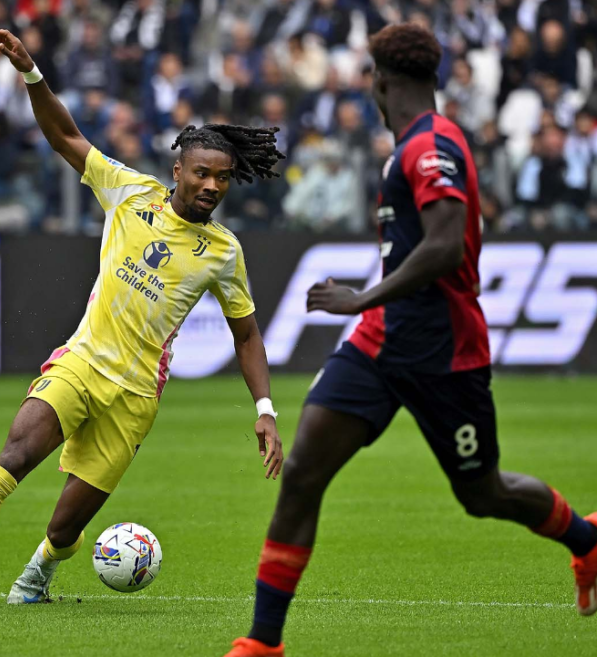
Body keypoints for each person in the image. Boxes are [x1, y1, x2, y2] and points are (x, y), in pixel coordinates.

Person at [0, 28, 286, 617]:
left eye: (222, 178)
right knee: (16, 452)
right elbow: (65, 136)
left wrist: (265, 412)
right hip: (81, 362)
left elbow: (246, 336)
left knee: (68, 527)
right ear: (178, 169)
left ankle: (41, 567)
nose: (211, 186)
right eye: (201, 172)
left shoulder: (223, 252)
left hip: (135, 396)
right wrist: (30, 73)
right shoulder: (129, 193)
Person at [224, 24, 597, 657]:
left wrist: (360, 297)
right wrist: (370, 310)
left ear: (382, 81)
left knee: (484, 494)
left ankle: (587, 544)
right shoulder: (410, 147)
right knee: (306, 468)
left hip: (443, 350)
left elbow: (446, 245)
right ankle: (262, 644)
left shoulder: (431, 146)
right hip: (379, 343)